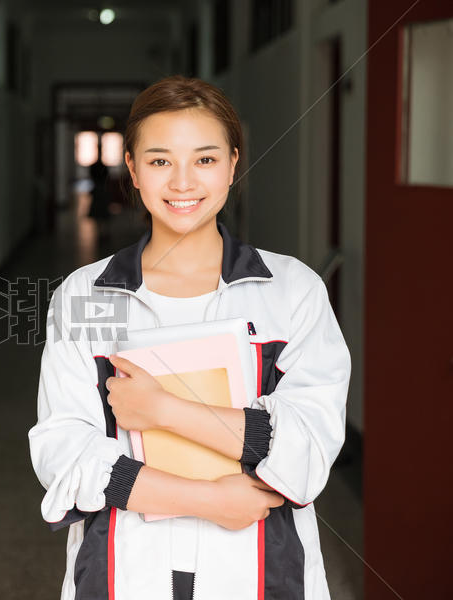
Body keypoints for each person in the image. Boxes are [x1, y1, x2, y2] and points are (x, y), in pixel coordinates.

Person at [28, 75, 351, 600]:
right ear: (132, 169)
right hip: (124, 565)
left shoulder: (291, 291)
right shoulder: (89, 295)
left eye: (204, 159)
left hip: (261, 569)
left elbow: (306, 449)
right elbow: (66, 452)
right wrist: (208, 500)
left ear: (232, 163)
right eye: (159, 161)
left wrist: (162, 410)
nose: (182, 183)